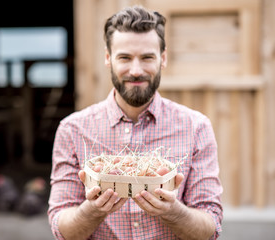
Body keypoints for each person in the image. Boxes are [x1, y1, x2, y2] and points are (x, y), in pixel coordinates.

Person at [48, 5, 223, 240]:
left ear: (163, 58)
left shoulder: (196, 127)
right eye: (125, 58)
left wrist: (173, 212)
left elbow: (210, 228)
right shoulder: (73, 130)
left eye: (147, 57)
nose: (136, 70)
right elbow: (62, 230)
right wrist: (92, 210)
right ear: (108, 59)